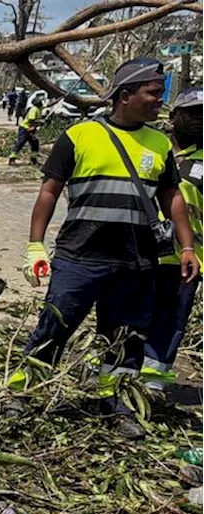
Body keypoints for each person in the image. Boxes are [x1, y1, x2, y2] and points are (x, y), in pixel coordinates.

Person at [10, 58, 201, 439]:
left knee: (125, 338)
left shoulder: (159, 143)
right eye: (152, 93)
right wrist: (35, 245)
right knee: (54, 327)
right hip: (80, 257)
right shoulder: (78, 136)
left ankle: (115, 405)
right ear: (126, 94)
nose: (158, 102)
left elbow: (171, 197)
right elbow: (49, 191)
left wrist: (187, 246)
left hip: (135, 263)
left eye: (160, 94)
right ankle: (21, 395)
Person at [144, 87, 204, 393]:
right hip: (142, 255)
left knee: (170, 322)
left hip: (186, 261)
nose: (199, 121)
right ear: (175, 116)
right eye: (193, 113)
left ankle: (152, 384)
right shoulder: (157, 152)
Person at [8, 96, 46, 165]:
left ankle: (33, 159)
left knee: (35, 144)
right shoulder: (34, 109)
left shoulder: (40, 108)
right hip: (25, 128)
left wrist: (60, 99)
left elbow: (49, 105)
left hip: (32, 129)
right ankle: (12, 158)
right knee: (21, 142)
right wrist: (39, 122)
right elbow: (31, 120)